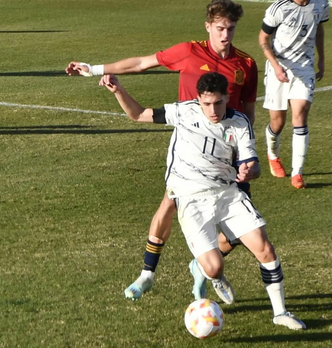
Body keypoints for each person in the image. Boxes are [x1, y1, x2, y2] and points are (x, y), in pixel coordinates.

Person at [64, 0, 259, 303]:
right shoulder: (189, 51)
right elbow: (141, 63)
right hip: (190, 151)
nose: (225, 34)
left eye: (230, 28)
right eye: (219, 28)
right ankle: (147, 275)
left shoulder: (246, 65)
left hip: (229, 153)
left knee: (239, 229)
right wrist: (93, 69)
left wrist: (246, 154)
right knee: (169, 203)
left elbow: (248, 113)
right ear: (208, 26)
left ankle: (204, 267)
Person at [98, 71, 305, 330]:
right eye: (207, 103)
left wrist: (250, 170)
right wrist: (118, 90)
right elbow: (138, 114)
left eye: (218, 103)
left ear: (228, 98)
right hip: (191, 197)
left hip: (228, 194)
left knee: (265, 248)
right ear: (198, 100)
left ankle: (280, 313)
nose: (213, 109)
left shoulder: (240, 123)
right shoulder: (184, 112)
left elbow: (253, 164)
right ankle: (204, 270)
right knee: (215, 268)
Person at [259, 0, 327, 189]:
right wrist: (275, 66)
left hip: (304, 67)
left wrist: (322, 60)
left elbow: (319, 30)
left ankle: (297, 174)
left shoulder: (320, 4)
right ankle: (272, 153)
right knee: (277, 123)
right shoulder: (278, 8)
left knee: (301, 113)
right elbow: (263, 38)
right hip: (279, 67)